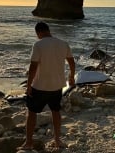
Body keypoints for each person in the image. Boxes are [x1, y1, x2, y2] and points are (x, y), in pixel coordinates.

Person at [19, 22, 75, 150]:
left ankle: (28, 143)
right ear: (48, 30)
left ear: (38, 33)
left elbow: (33, 66)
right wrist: (71, 76)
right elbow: (72, 62)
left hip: (39, 86)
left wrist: (28, 86)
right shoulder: (63, 43)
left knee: (32, 113)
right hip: (57, 87)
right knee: (56, 112)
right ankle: (57, 140)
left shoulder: (38, 45)